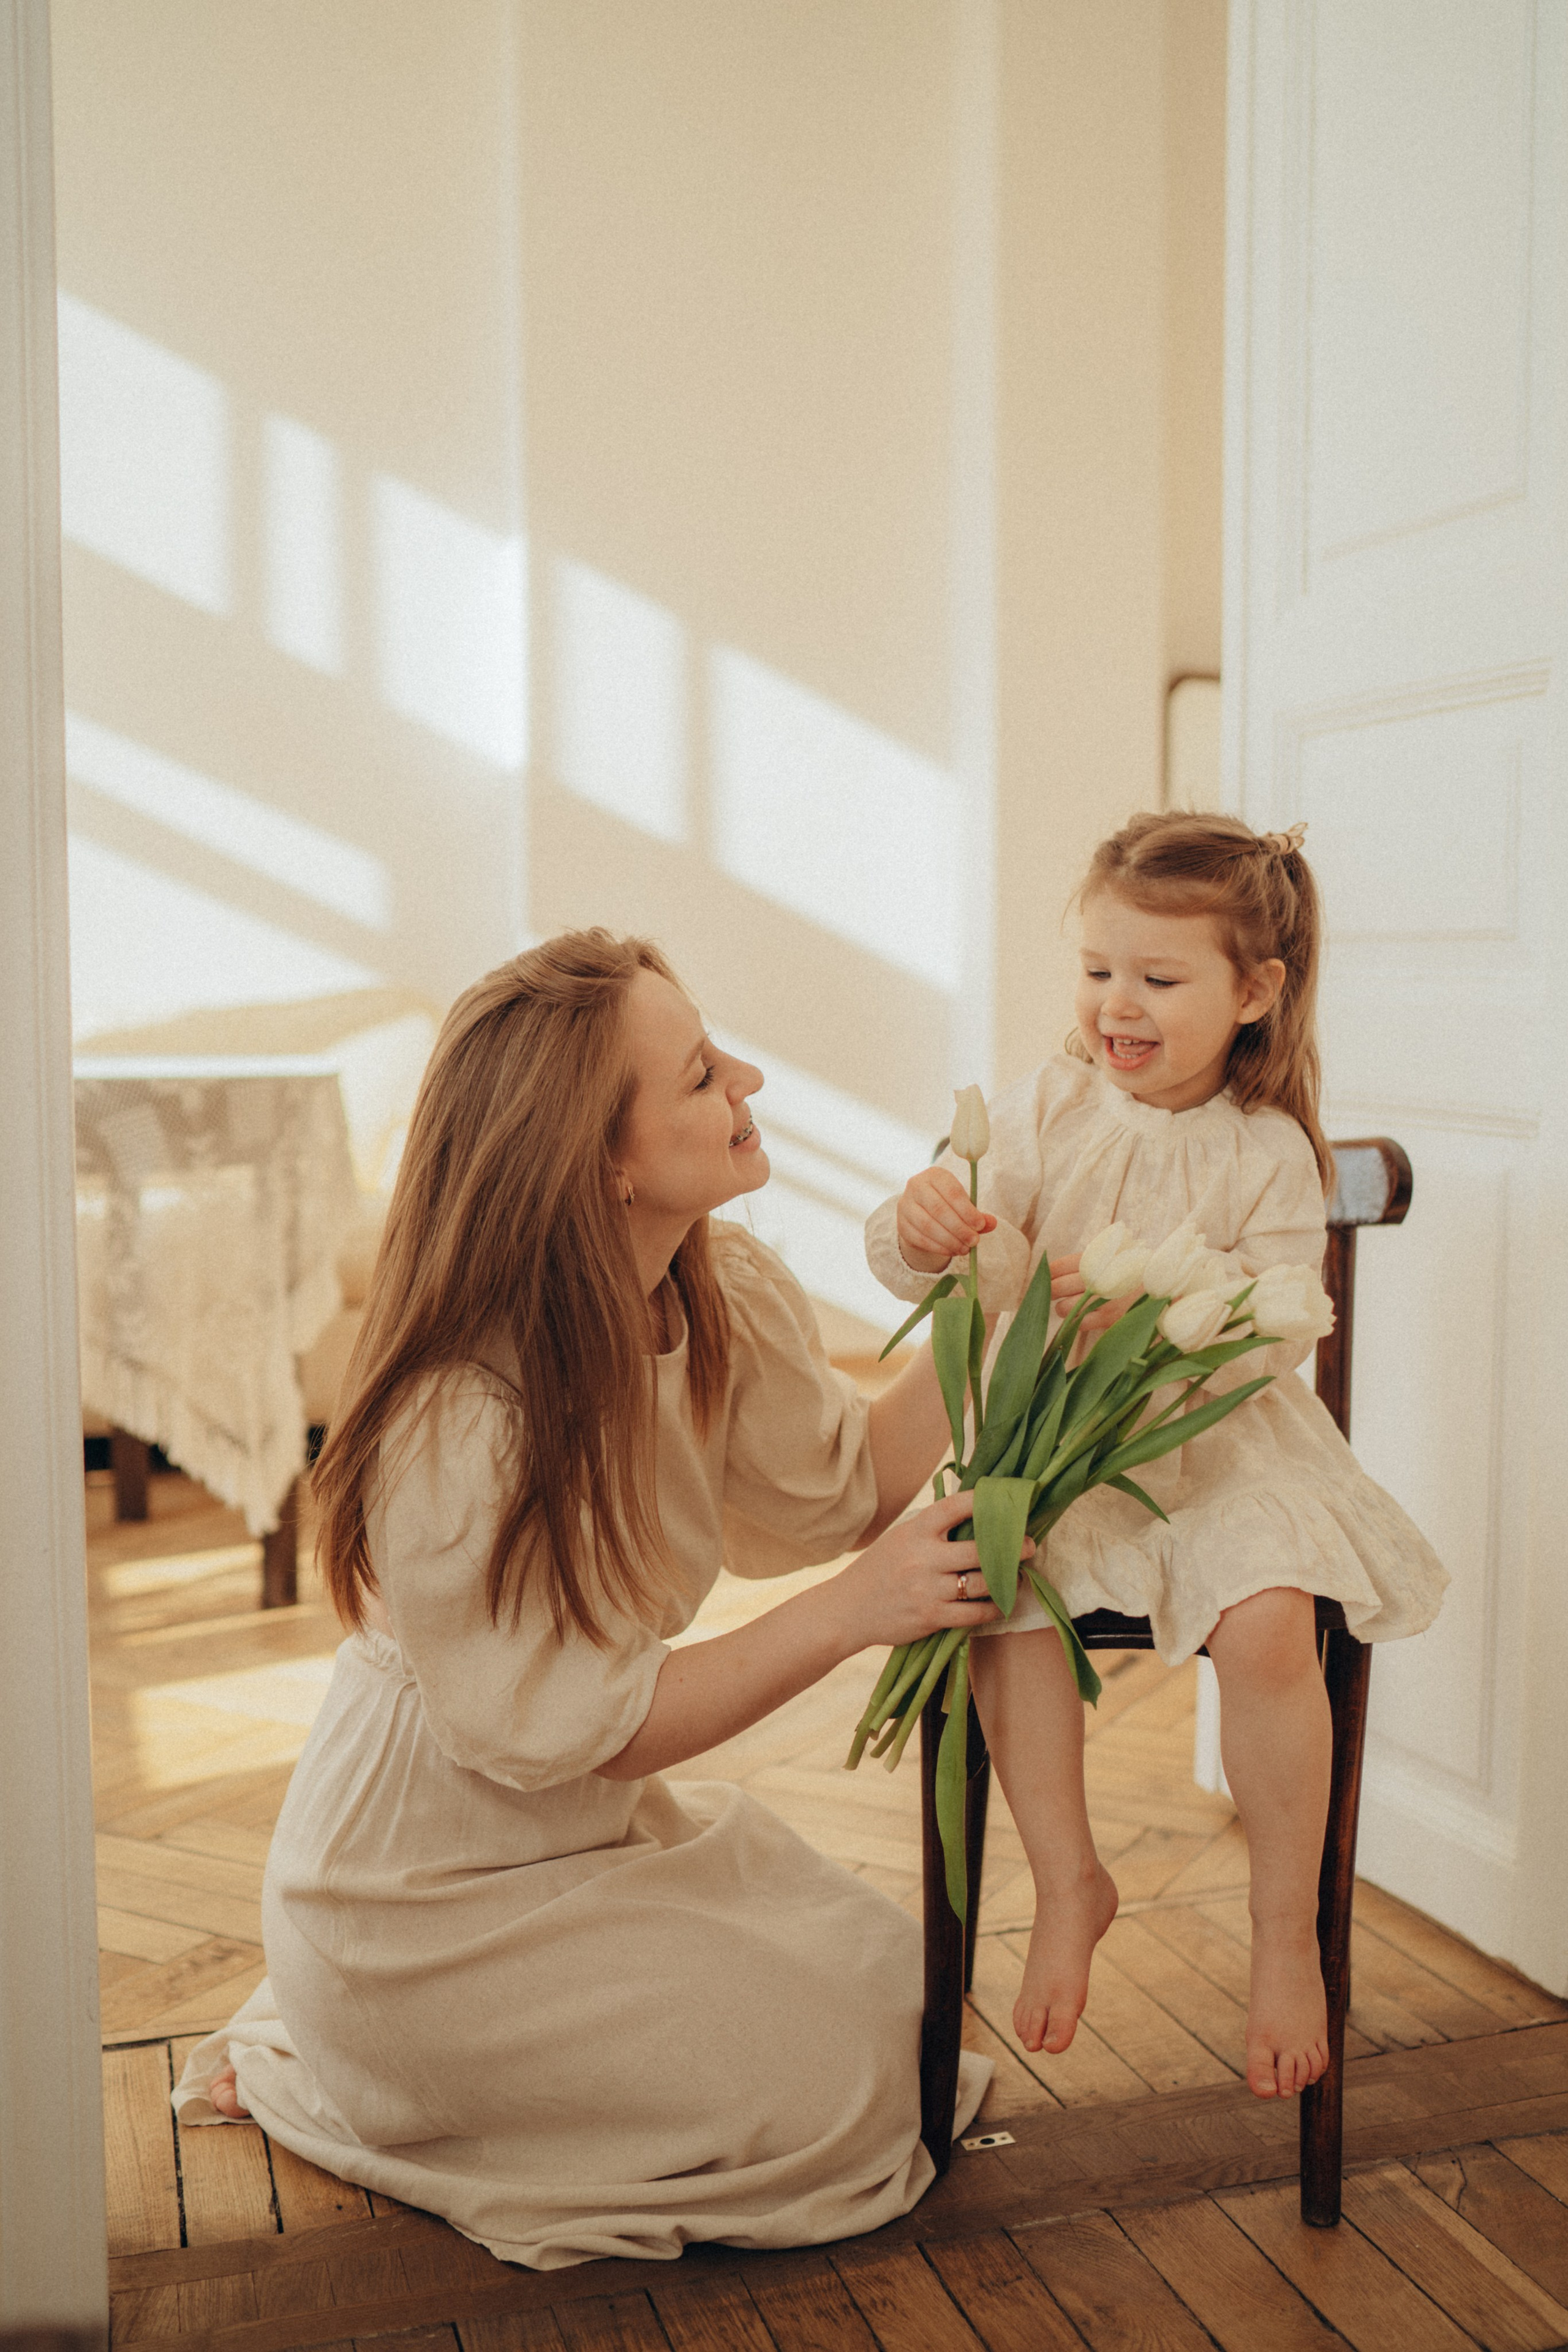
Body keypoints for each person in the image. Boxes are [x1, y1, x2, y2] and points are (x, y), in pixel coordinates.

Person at [175, 931, 1003, 2269]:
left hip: (572, 1843)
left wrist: (998, 1319)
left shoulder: (703, 1289)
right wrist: (859, 1611)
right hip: (417, 1911)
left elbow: (842, 1486)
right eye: (696, 1076)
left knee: (907, 2020)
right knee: (843, 2105)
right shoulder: (466, 1416)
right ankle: (349, 2071)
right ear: (601, 1158)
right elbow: (589, 1726)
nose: (745, 1077)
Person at [864, 811, 1447, 2103]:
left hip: (1223, 1450)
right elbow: (952, 1256)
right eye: (1095, 969)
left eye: (1157, 979)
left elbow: (1281, 1328)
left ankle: (1279, 1930)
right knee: (999, 1587)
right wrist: (919, 1228)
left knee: (1265, 1620)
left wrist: (1174, 1326)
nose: (1113, 1004)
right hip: (1059, 1443)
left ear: (1253, 994)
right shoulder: (1046, 1107)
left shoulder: (1266, 1152)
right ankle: (1068, 1873)